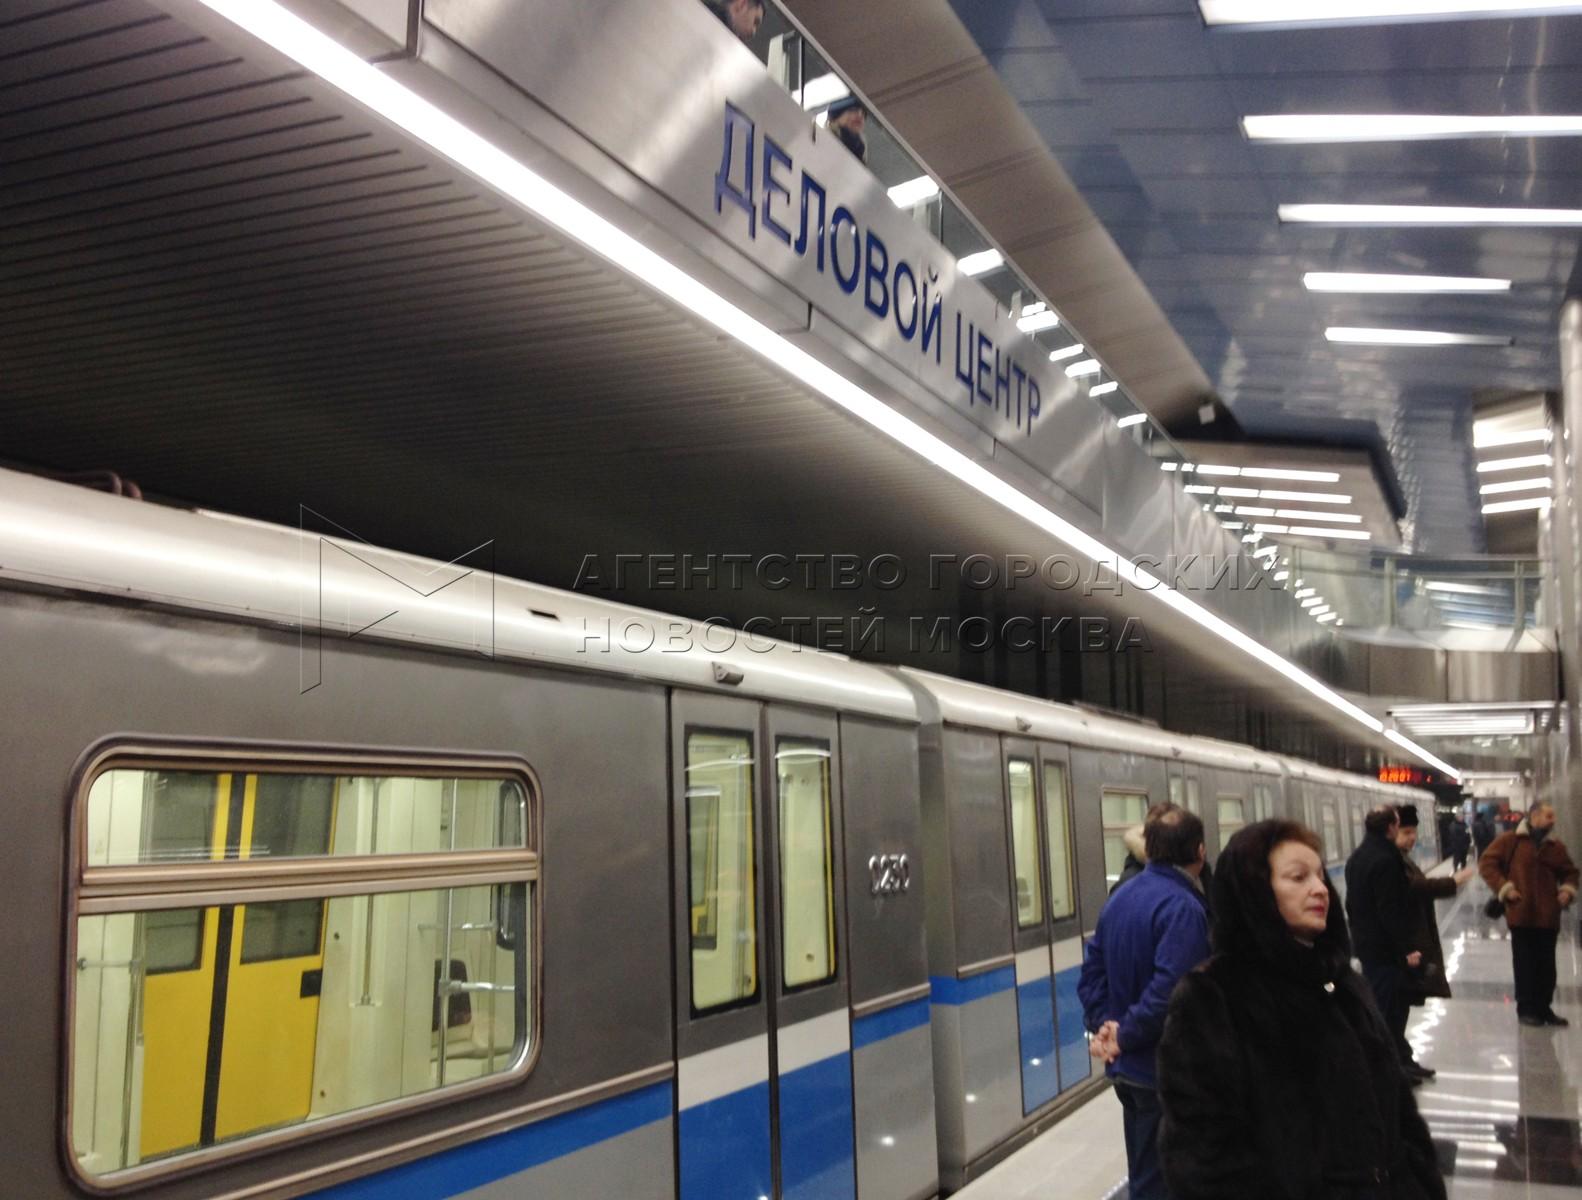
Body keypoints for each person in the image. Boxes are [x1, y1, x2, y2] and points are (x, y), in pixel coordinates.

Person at [1156, 820, 1447, 1199]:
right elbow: (1202, 1158)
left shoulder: (1345, 984)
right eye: (1298, 877)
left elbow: (1399, 1110)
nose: (1320, 888)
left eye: (1320, 875)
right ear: (1255, 892)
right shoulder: (1213, 999)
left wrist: (1418, 1182)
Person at [1079, 809, 1212, 1200]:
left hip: (1127, 1070)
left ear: (1149, 850)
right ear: (1200, 851)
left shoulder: (1120, 898)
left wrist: (1106, 1026)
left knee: (1144, 1175)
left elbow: (1091, 975)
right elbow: (1172, 992)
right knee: (1170, 1181)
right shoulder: (1184, 908)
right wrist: (1124, 1035)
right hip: (1165, 1069)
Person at [1394, 804, 1475, 1079]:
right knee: (1394, 1009)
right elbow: (1413, 888)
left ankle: (1403, 1060)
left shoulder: (1399, 859)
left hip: (1405, 945)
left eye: (1414, 832)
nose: (1412, 838)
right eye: (1406, 832)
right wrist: (1453, 882)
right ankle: (1397, 1064)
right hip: (1397, 949)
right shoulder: (1389, 862)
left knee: (1400, 1007)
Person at [1480, 802, 1579, 1026]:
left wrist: (1567, 890)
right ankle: (1526, 1009)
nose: (1553, 820)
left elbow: (1570, 873)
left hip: (1548, 916)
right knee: (1525, 964)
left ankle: (1544, 1008)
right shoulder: (1511, 841)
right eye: (1549, 816)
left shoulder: (1555, 846)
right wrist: (1505, 888)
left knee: (1547, 966)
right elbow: (1487, 863)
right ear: (1534, 816)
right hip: (1520, 914)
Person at [1345, 806, 1420, 1082]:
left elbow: (1351, 904)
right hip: (1386, 951)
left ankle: (1401, 1061)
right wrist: (1406, 949)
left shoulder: (1357, 858)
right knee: (1389, 1012)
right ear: (1390, 828)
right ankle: (1391, 1071)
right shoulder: (1387, 860)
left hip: (1368, 946)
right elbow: (1391, 911)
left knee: (1384, 1007)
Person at [825, 96, 868, 162]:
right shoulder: (822, 142)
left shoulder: (860, 151)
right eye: (853, 110)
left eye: (863, 113)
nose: (860, 115)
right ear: (836, 118)